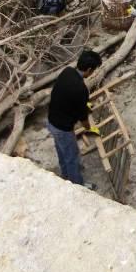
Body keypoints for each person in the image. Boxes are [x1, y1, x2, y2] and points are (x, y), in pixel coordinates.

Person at [47, 48, 102, 189]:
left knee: (61, 149)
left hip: (51, 120)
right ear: (89, 69)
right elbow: (83, 118)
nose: (93, 73)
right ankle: (78, 186)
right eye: (94, 70)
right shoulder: (80, 89)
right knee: (71, 155)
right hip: (62, 127)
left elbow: (67, 97)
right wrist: (90, 128)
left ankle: (65, 174)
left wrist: (83, 105)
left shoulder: (67, 71)